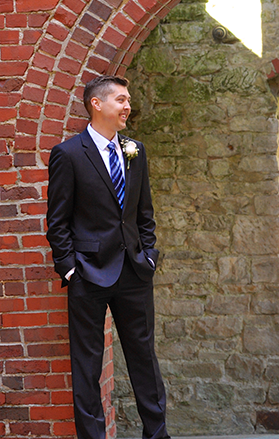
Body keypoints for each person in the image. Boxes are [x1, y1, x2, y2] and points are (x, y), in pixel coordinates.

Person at [46, 75, 169, 439]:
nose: (127, 105)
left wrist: (148, 257)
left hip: (134, 271)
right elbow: (57, 222)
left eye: (128, 99)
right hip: (87, 275)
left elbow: (144, 213)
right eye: (120, 99)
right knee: (87, 366)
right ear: (96, 104)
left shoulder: (136, 151)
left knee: (144, 359)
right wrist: (70, 270)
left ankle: (157, 434)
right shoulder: (67, 154)